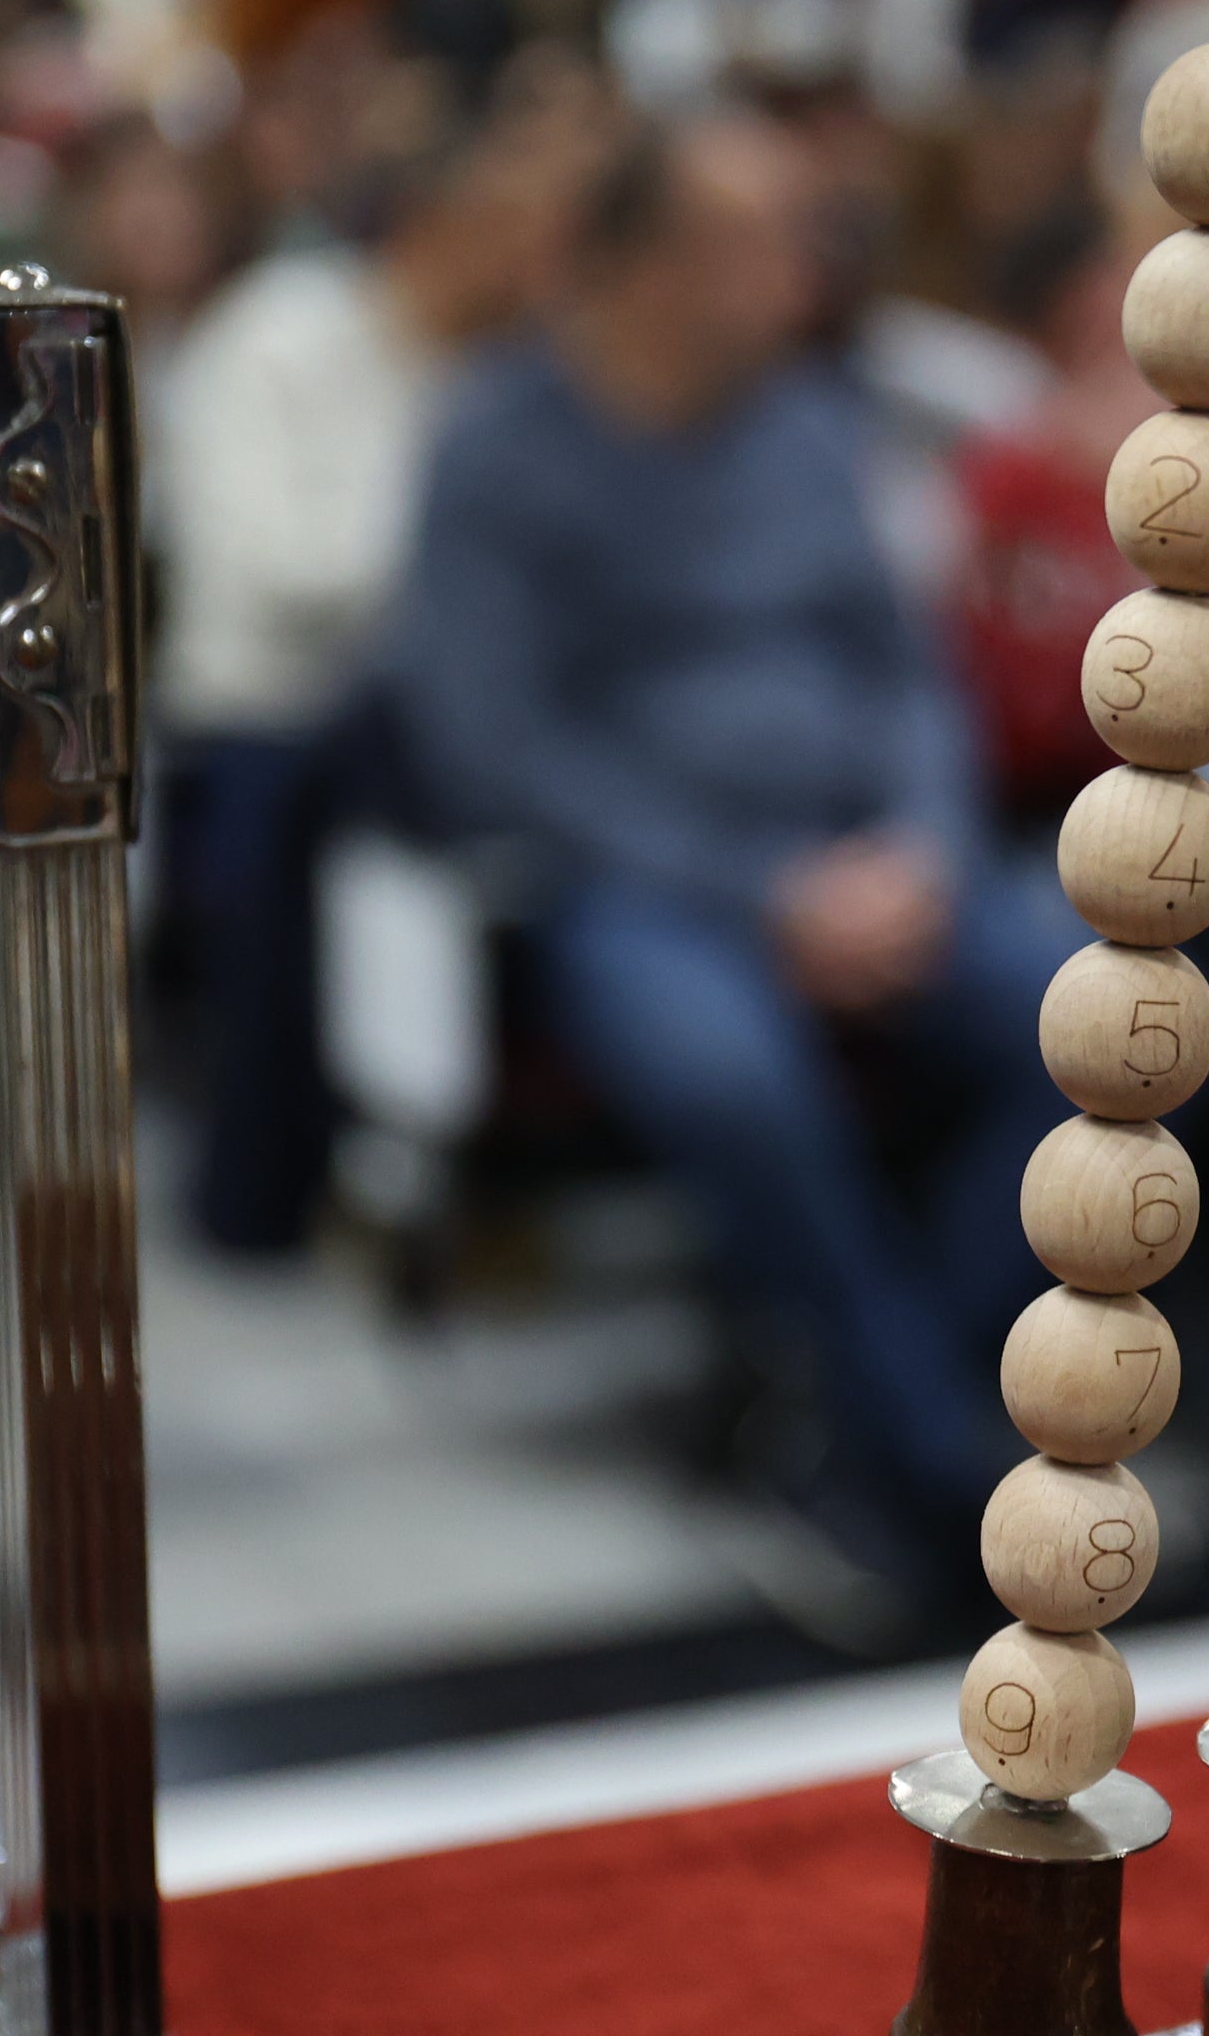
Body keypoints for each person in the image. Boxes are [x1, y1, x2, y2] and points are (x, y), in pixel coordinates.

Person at [386, 108, 1065, 1596]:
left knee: (1127, 1040)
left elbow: (905, 676)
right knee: (730, 1080)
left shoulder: (810, 422)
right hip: (649, 880)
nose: (804, 269)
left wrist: (924, 851)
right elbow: (498, 747)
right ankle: (941, 1462)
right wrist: (764, 894)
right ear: (645, 267)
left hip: (869, 858)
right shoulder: (499, 442)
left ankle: (887, 1412)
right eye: (757, 239)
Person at [154, 105, 586, 1256]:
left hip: (441, 704)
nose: (549, 260)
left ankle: (471, 1148)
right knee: (333, 799)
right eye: (522, 227)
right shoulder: (278, 333)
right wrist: (460, 562)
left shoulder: (508, 373)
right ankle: (317, 1170)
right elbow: (277, 572)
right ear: (443, 228)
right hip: (269, 713)